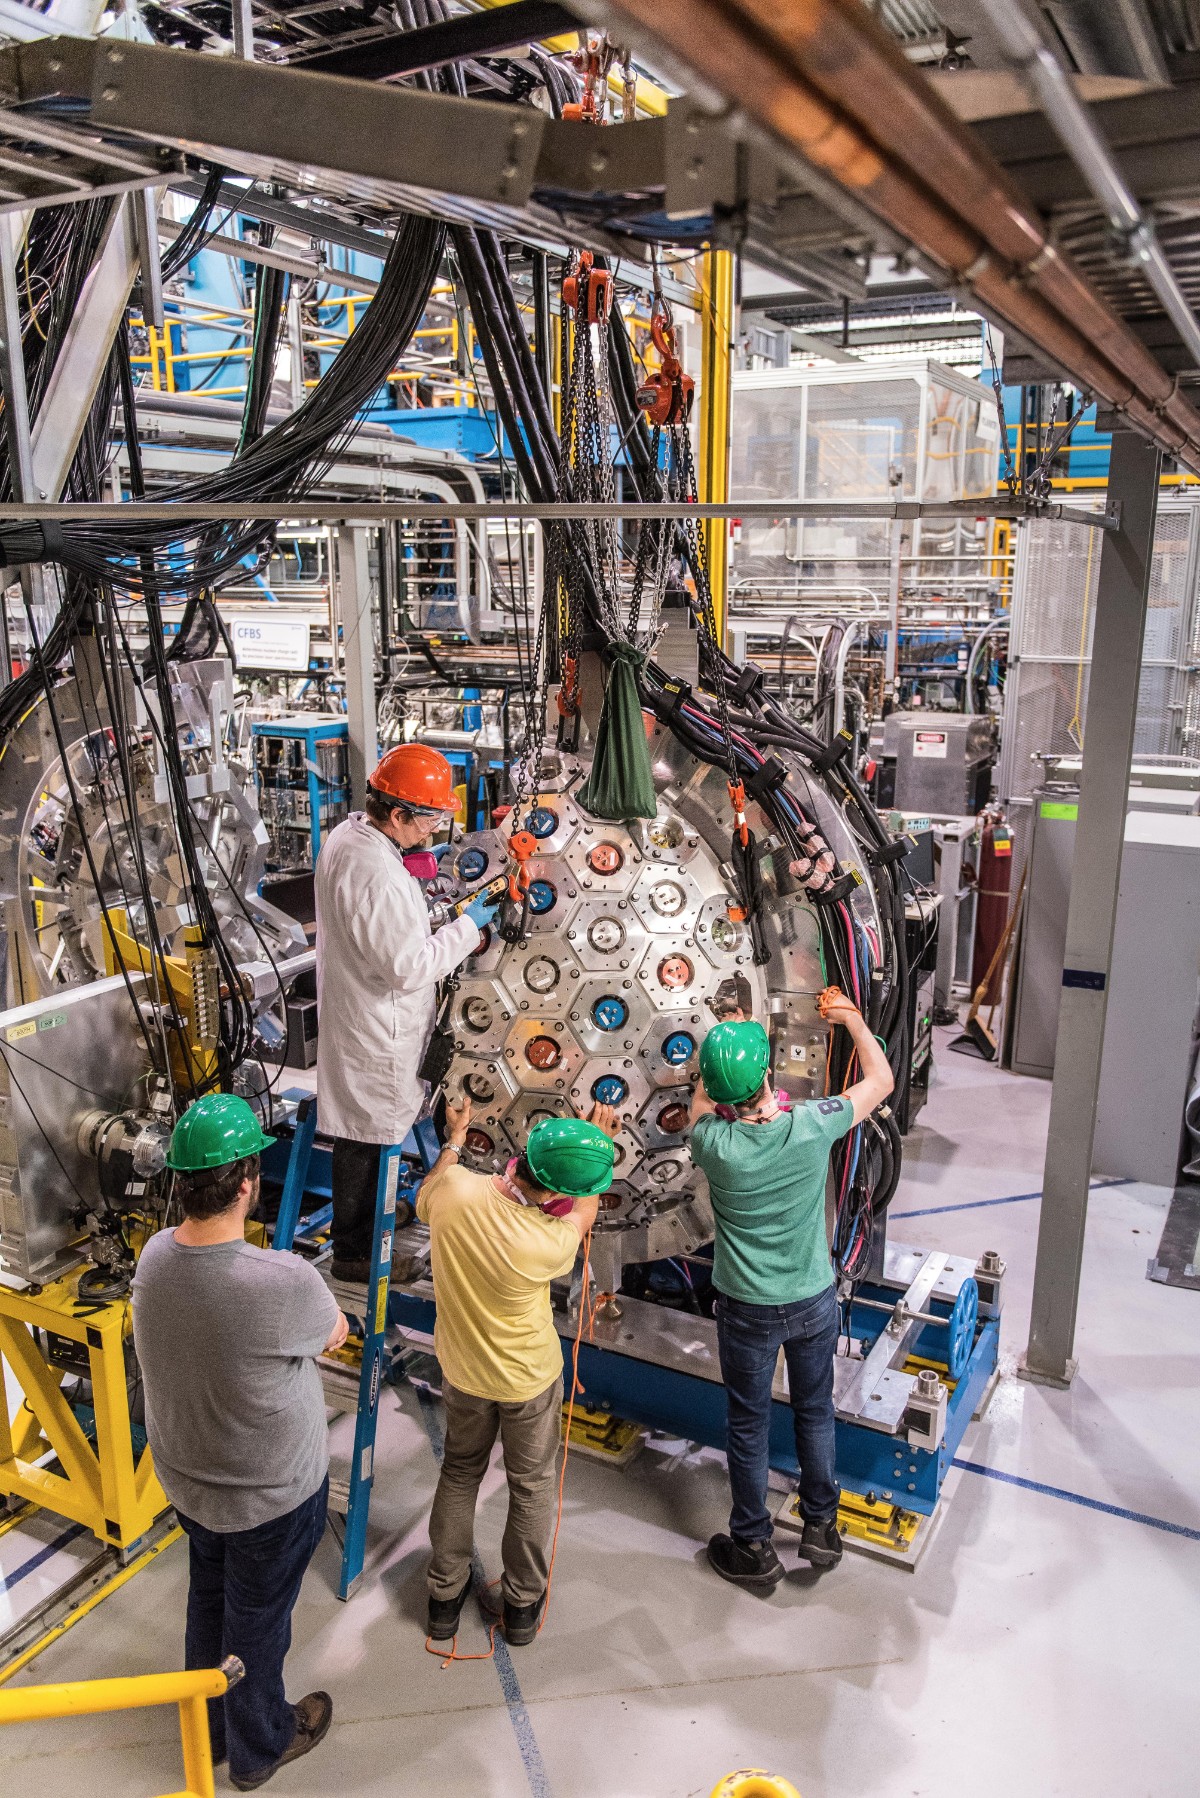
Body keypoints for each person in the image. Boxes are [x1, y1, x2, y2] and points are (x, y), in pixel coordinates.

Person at [131, 1093, 349, 1792]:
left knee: (209, 1599)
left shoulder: (156, 1256)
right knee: (257, 1624)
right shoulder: (283, 1280)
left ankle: (210, 1728)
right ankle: (259, 1748)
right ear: (249, 1182)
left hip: (189, 1483)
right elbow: (333, 1334)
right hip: (270, 1497)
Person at [688, 997, 894, 1591]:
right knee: (815, 1408)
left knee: (748, 1424)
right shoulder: (811, 1125)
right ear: (768, 1079)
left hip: (746, 1309)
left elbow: (705, 1101)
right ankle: (821, 1526)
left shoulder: (713, 1145)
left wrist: (714, 1049)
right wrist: (853, 1019)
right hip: (812, 1301)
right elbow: (879, 1080)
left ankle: (752, 1544)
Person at [417, 1102, 617, 1647]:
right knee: (530, 1488)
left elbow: (425, 1196)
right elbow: (585, 1212)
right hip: (527, 1380)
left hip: (462, 1371)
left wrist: (455, 1138)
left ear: (520, 1156)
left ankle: (443, 1597)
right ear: (555, 1191)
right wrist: (597, 1146)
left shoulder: (455, 1190)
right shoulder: (544, 1242)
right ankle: (523, 1609)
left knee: (460, 1473)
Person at [315, 743, 499, 1281]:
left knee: (365, 1131)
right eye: (428, 818)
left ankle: (370, 1220)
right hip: (379, 1028)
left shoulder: (350, 836)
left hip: (361, 1015)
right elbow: (407, 966)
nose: (432, 830)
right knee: (368, 1138)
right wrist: (470, 927)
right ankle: (357, 1255)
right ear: (396, 813)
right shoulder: (375, 870)